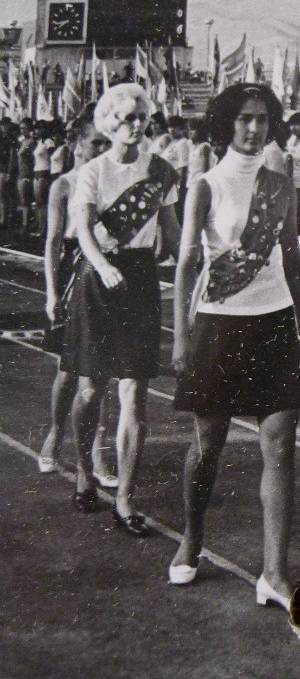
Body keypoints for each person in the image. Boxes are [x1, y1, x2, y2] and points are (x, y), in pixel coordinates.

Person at [170, 83, 300, 604]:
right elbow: (187, 265)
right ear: (226, 124)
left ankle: (274, 572)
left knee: (280, 449)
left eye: (262, 119)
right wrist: (181, 338)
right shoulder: (205, 186)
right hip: (219, 327)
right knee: (208, 447)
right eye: (244, 119)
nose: (254, 129)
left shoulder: (281, 185)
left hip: (273, 325)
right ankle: (192, 536)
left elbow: (291, 256)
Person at [62, 83, 181, 534]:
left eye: (141, 117)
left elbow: (172, 233)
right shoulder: (93, 171)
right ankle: (83, 472)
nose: (135, 125)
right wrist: (104, 266)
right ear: (109, 122)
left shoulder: (161, 171)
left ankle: (126, 498)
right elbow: (84, 230)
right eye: (126, 118)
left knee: (134, 391)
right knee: (91, 387)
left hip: (139, 278)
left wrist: (182, 262)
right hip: (99, 278)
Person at [38, 106, 117, 487]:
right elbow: (53, 242)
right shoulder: (64, 185)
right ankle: (56, 433)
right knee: (68, 370)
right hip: (74, 271)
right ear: (77, 143)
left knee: (102, 370)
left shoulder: (113, 180)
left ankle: (98, 450)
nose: (102, 149)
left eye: (107, 142)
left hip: (105, 271)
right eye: (95, 143)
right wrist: (52, 292)